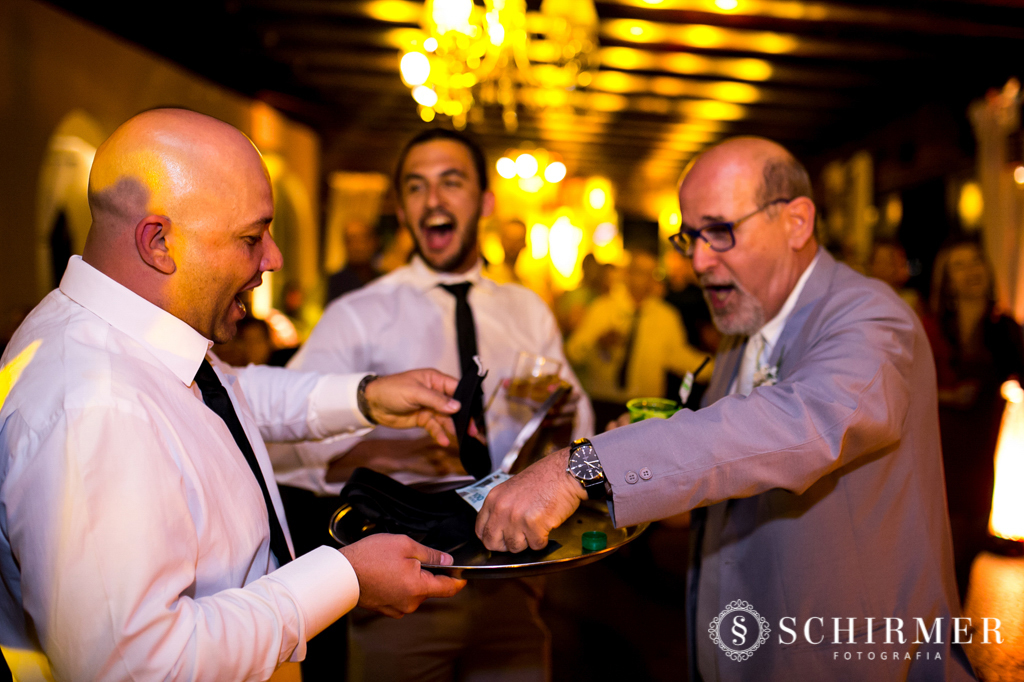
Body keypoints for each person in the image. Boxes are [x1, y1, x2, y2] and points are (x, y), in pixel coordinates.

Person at [475, 137, 974, 680]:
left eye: (720, 232)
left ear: (797, 221)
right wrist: (644, 452)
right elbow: (734, 463)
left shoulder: (874, 320)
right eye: (690, 236)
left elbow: (801, 425)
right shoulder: (743, 328)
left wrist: (585, 466)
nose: (696, 260)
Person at [0, 109, 467, 682]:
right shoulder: (94, 406)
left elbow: (223, 400)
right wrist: (343, 579)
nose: (272, 258)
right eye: (251, 237)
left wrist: (368, 397)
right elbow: (136, 668)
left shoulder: (133, 335)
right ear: (159, 241)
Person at [273, 127, 595, 682]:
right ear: (402, 208)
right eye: (417, 188)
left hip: (512, 574)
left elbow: (579, 426)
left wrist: (562, 419)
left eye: (452, 182)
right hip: (400, 580)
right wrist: (377, 423)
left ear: (486, 201)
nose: (434, 201)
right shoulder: (358, 314)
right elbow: (282, 440)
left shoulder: (527, 311)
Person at [924, 238, 1024, 596]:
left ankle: (949, 642)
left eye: (977, 261)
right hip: (934, 458)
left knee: (965, 559)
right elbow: (898, 388)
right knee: (934, 561)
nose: (972, 271)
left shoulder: (1005, 332)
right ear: (946, 280)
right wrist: (946, 395)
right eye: (960, 265)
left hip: (979, 462)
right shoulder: (927, 329)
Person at [566, 249, 708, 427]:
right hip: (604, 403)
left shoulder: (666, 316)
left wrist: (715, 369)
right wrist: (598, 342)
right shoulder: (602, 309)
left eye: (651, 273)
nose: (645, 279)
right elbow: (573, 352)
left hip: (646, 409)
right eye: (640, 272)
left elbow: (679, 357)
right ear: (627, 273)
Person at [327, 221, 382, 302]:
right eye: (351, 240)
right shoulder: (334, 282)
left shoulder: (382, 279)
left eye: (362, 239)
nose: (356, 246)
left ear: (373, 242)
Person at [485, 218, 527, 285]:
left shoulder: (528, 280)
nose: (513, 245)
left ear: (525, 244)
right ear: (501, 240)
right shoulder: (490, 278)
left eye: (518, 240)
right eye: (509, 239)